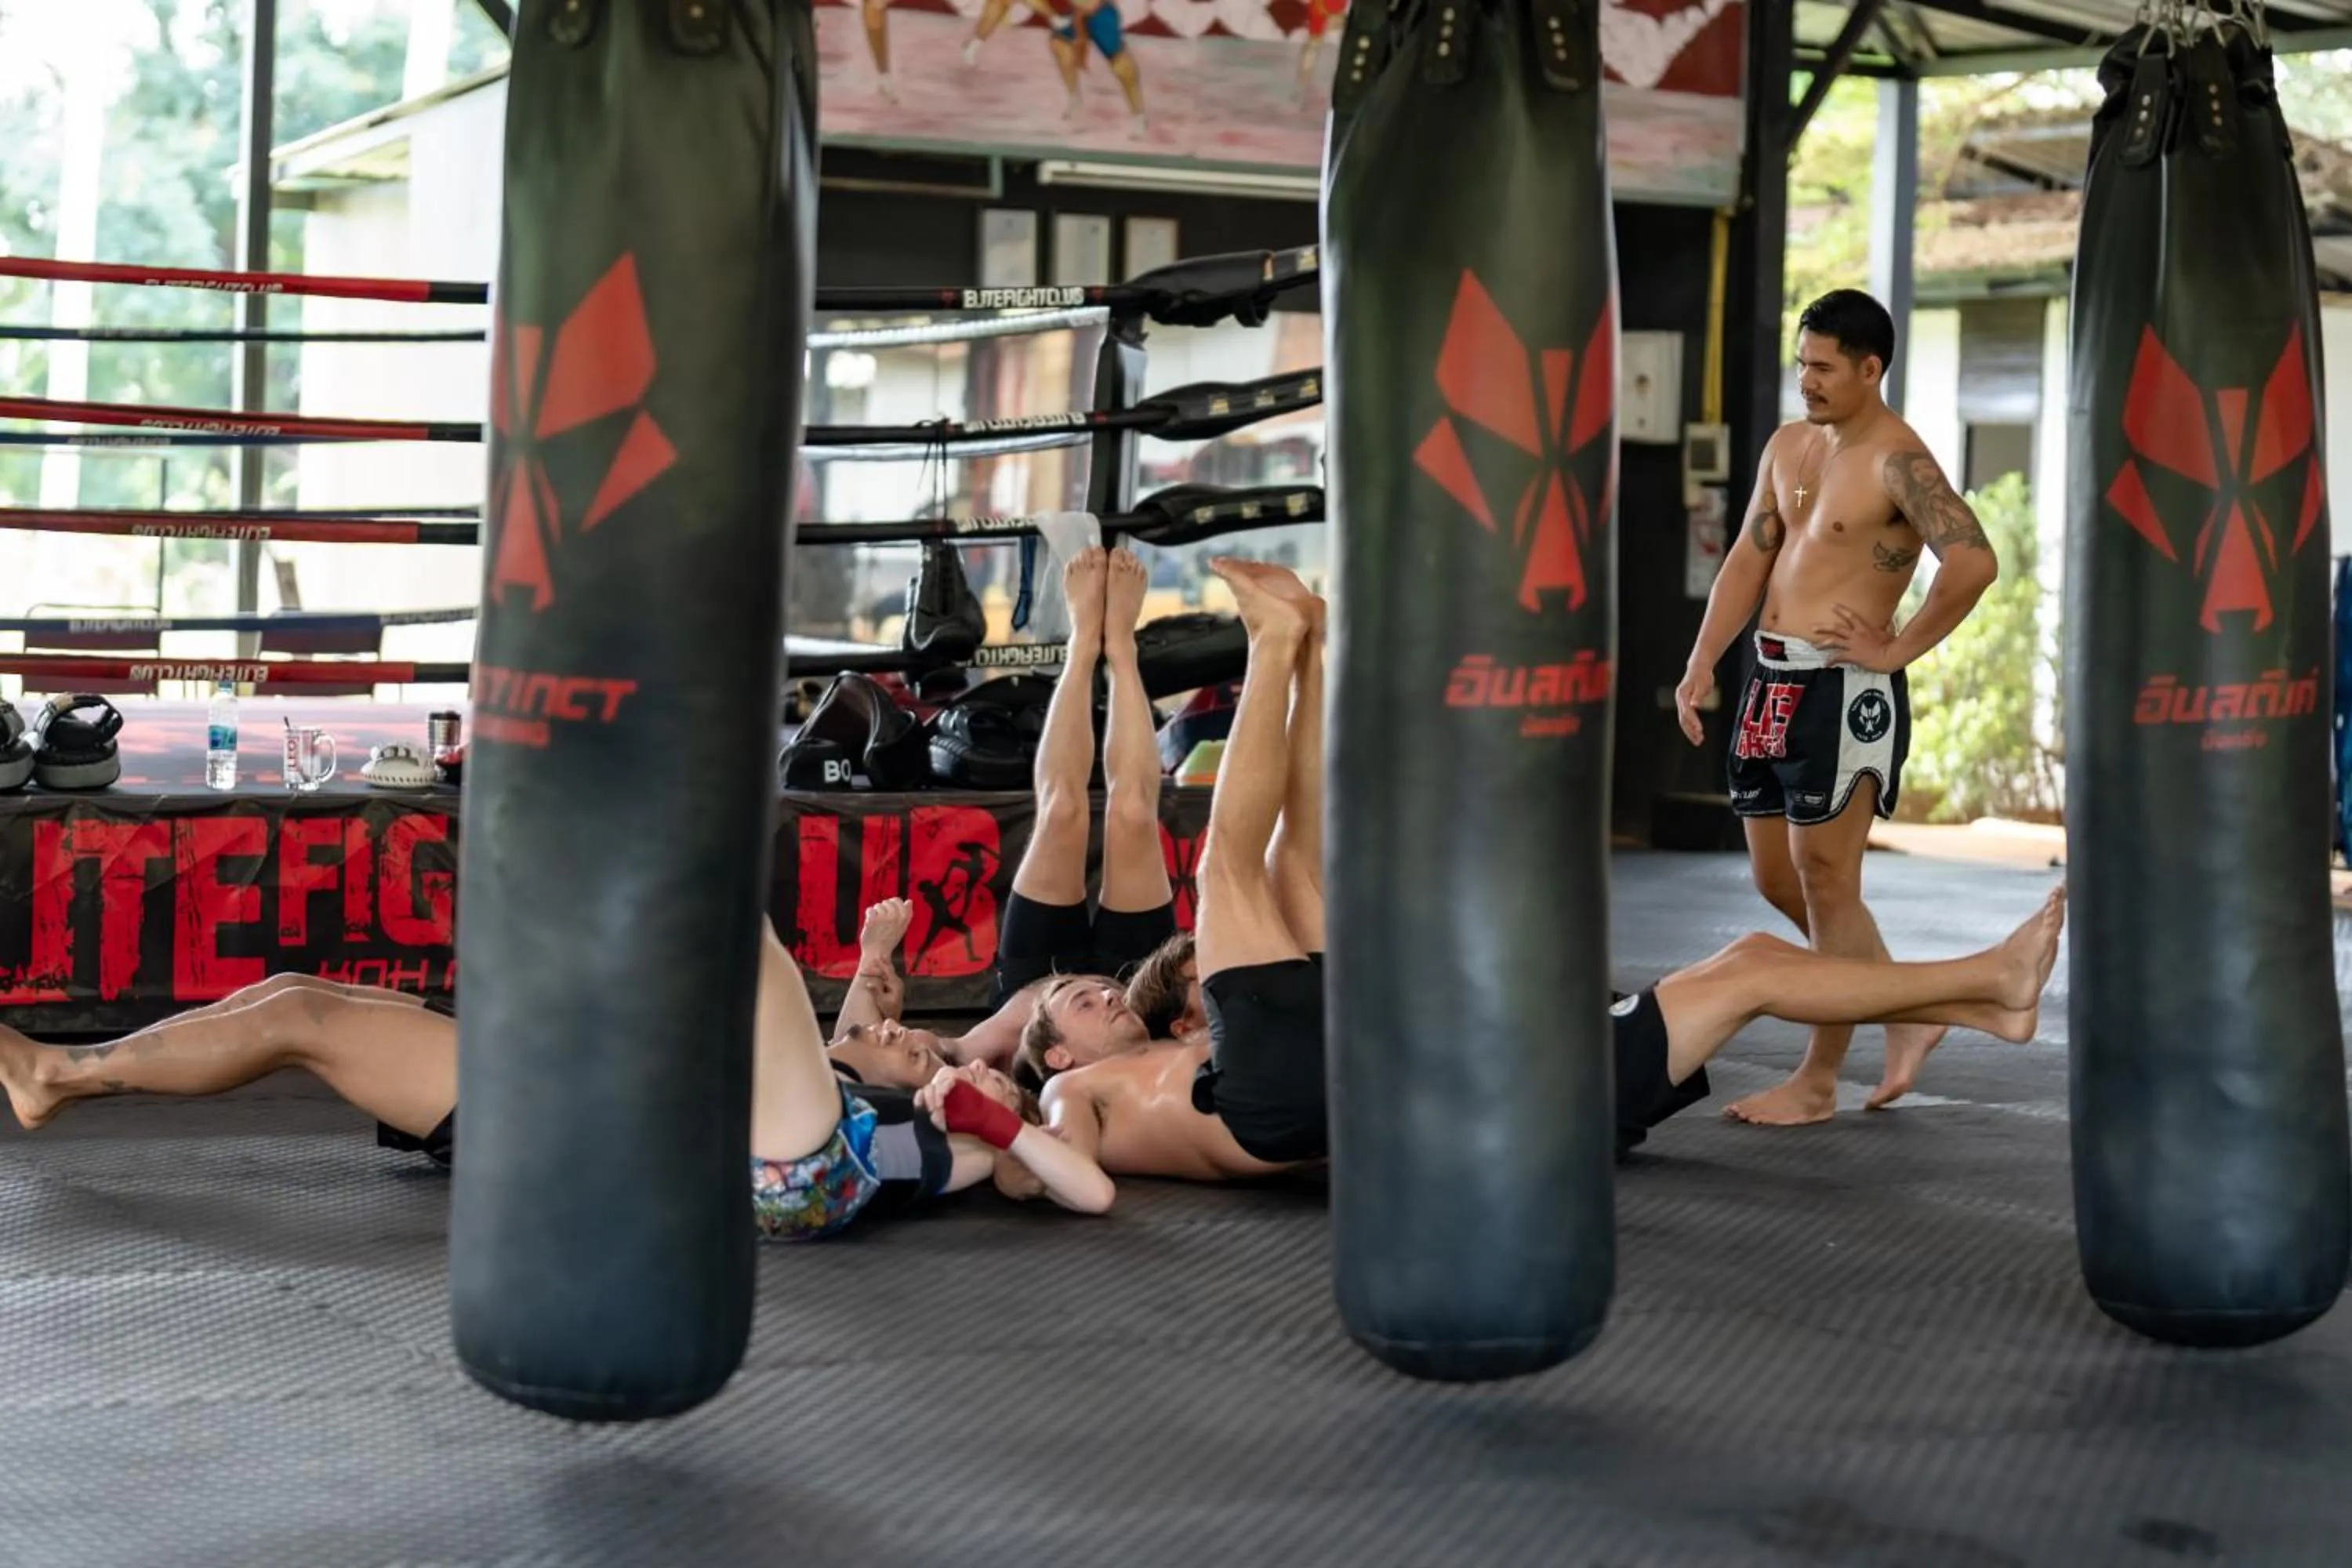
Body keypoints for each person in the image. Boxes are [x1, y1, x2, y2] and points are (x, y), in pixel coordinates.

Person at [0, 924, 1116, 1234]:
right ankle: (65, 1074)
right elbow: (861, 1020)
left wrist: (996, 1120)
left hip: (649, 1147)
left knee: (300, 1020)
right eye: (903, 1037)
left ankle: (59, 1074)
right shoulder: (841, 1064)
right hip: (587, 1097)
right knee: (299, 995)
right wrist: (877, 966)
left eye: (922, 1045)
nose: (910, 1039)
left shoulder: (914, 1136)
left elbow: (1082, 1187)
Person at [1674, 288, 2000, 1127]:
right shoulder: (1788, 448)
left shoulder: (1900, 462)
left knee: (1828, 882)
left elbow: (1973, 562)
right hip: (1768, 678)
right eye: (1802, 363)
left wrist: (1897, 649)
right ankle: (1909, 1010)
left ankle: (1818, 1080)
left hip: (1843, 686)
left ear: (1870, 367)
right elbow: (1749, 561)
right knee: (1778, 878)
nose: (1808, 380)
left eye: (1823, 366)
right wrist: (1702, 658)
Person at [1010, 556, 1330, 1187]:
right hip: (1262, 1108)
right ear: (1057, 1053)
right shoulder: (1068, 1087)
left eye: (1098, 990)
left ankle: (1311, 651)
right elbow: (1052, 1168)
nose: (1106, 991)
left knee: (1293, 860)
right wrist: (994, 1141)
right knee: (1226, 871)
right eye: (1081, 1000)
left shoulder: (1175, 1043)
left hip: (1332, 1086)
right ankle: (1270, 643)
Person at [994, 546, 1176, 1085]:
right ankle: (1121, 647)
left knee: (1062, 812)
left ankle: (1081, 646)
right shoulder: (1146, 1074)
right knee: (1134, 815)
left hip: (1041, 987)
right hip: (1136, 977)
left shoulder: (1038, 1066)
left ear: (1059, 1059)